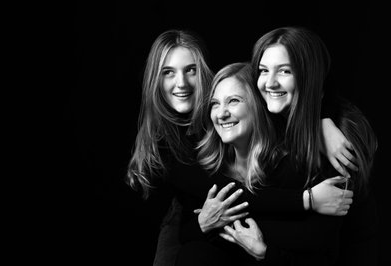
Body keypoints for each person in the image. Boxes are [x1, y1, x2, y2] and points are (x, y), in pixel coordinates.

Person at [125, 29, 356, 266]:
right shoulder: (167, 146)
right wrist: (308, 199)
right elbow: (230, 194)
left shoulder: (225, 97)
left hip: (248, 200)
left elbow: (313, 73)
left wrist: (322, 118)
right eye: (168, 73)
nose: (181, 82)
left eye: (191, 70)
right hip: (198, 208)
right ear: (155, 79)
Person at [191, 26, 377, 265]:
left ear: (307, 77)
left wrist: (252, 242)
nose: (269, 82)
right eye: (263, 70)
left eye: (285, 71)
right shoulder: (277, 124)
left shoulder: (341, 142)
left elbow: (317, 241)